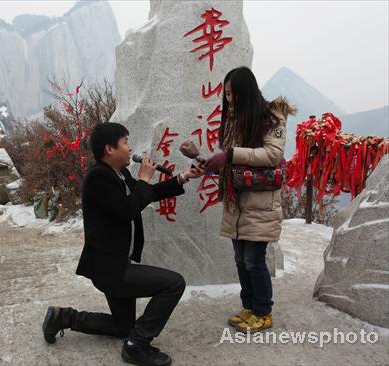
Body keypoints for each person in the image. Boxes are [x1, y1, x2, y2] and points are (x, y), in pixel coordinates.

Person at [42, 122, 203, 366]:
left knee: (122, 326)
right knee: (173, 284)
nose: (130, 149)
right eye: (125, 142)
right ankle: (137, 345)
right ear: (109, 149)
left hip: (116, 264)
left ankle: (63, 318)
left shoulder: (119, 173)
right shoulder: (98, 178)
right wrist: (144, 178)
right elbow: (127, 209)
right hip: (111, 269)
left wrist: (183, 177)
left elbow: (147, 194)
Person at [202, 66, 296, 333]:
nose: (230, 100)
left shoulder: (272, 118)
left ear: (247, 92)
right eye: (227, 95)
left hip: (260, 203)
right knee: (240, 260)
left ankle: (263, 312)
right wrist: (209, 162)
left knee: (254, 260)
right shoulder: (233, 120)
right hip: (237, 201)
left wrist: (230, 154)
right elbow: (231, 159)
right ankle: (249, 306)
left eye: (234, 95)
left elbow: (272, 156)